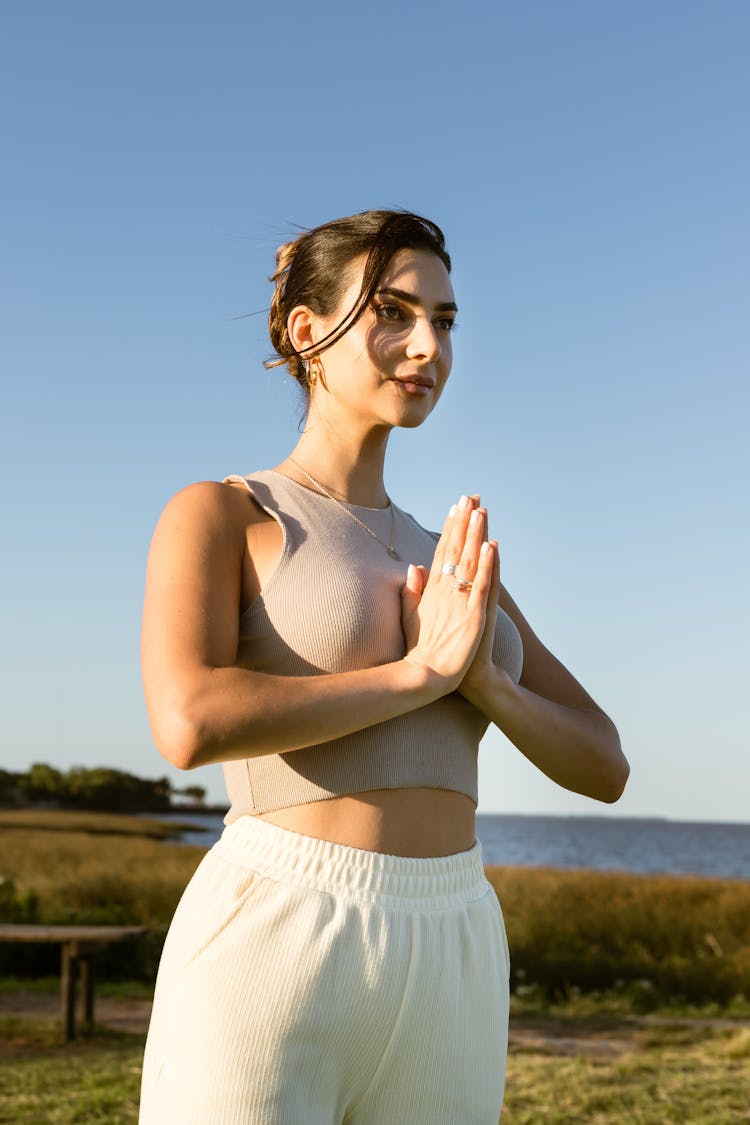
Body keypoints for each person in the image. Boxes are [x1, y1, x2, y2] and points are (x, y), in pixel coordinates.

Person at [138, 209, 629, 1124]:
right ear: (306, 333)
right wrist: (420, 674)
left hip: (456, 937)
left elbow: (605, 764)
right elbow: (189, 720)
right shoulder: (225, 513)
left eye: (444, 321)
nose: (426, 345)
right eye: (394, 313)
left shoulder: (456, 561)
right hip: (280, 923)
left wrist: (486, 682)